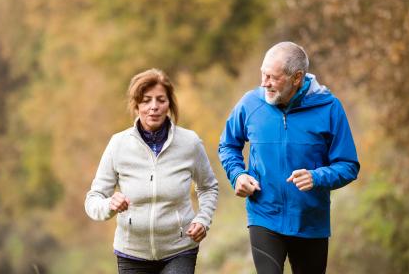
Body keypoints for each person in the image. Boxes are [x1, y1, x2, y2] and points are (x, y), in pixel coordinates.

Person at [218, 42, 360, 274]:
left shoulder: (329, 108)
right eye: (263, 74)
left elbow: (348, 165)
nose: (264, 83)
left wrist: (317, 177)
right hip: (264, 216)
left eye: (273, 77)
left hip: (310, 222)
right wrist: (238, 174)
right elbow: (228, 145)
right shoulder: (250, 103)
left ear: (297, 78)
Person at [85, 68, 218, 274]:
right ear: (136, 105)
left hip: (179, 249)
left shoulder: (189, 143)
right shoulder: (118, 144)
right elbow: (93, 199)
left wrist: (203, 219)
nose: (154, 107)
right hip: (132, 253)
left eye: (160, 100)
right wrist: (109, 205)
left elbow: (208, 187)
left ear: (169, 104)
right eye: (146, 100)